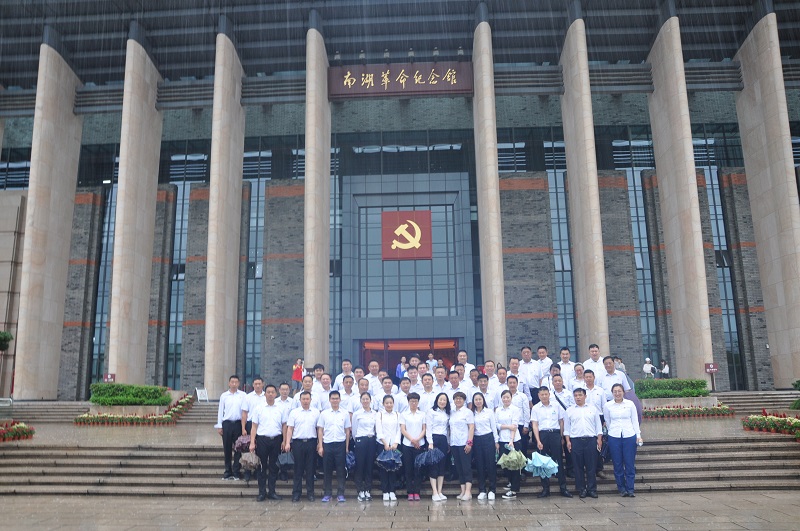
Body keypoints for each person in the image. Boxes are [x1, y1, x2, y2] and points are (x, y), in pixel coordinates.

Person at [530, 387, 572, 498]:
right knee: (543, 463)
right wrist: (538, 440)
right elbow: (535, 425)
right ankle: (545, 489)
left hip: (555, 434)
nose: (544, 396)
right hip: (542, 435)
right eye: (542, 394)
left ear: (549, 394)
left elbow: (561, 421)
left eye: (546, 394)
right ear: (538, 396)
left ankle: (563, 488)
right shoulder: (536, 408)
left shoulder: (556, 406)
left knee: (559, 461)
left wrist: (561, 437)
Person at [603, 383, 643, 497]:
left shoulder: (630, 404)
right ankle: (621, 488)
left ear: (623, 392)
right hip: (614, 436)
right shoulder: (608, 406)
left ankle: (630, 488)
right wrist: (612, 431)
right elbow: (608, 421)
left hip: (629, 435)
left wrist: (638, 435)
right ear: (612, 393)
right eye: (615, 391)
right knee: (617, 463)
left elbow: (634, 420)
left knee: (629, 463)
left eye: (619, 391)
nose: (617, 393)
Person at [248, 384, 286, 502]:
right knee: (261, 467)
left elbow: (284, 425)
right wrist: (252, 442)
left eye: (272, 392)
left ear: (276, 393)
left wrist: (284, 440)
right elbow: (254, 426)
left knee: (274, 467)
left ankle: (272, 492)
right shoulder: (259, 408)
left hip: (276, 440)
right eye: (268, 392)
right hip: (262, 440)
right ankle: (262, 492)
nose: (270, 394)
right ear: (265, 394)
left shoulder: (281, 408)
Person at [564, 388, 603, 498]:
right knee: (578, 467)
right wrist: (568, 441)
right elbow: (567, 428)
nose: (578, 397)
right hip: (576, 440)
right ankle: (581, 489)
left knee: (591, 466)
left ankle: (592, 489)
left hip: (591, 440)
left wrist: (599, 439)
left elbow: (598, 426)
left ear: (585, 396)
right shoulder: (569, 410)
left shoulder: (592, 409)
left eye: (580, 395)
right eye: (576, 395)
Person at [284, 390, 320, 502]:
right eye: (303, 399)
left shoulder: (316, 412)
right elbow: (290, 428)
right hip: (298, 443)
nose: (305, 401)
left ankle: (310, 493)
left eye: (307, 399)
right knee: (298, 469)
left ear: (310, 400)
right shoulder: (294, 413)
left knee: (310, 469)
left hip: (311, 442)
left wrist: (319, 443)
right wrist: (287, 442)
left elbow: (319, 429)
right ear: (300, 400)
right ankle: (296, 493)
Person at [316, 391, 351, 503]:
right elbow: (320, 430)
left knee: (341, 470)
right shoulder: (324, 414)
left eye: (337, 398)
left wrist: (346, 447)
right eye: (333, 398)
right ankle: (327, 493)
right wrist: (320, 445)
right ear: (329, 400)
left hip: (340, 443)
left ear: (340, 400)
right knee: (327, 470)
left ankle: (340, 493)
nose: (335, 400)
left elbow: (347, 431)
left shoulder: (345, 413)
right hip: (327, 443)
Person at [214, 375, 247, 480]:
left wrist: (244, 426)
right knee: (227, 448)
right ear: (229, 383)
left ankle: (236, 471)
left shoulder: (243, 395)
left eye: (236, 382)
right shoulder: (224, 396)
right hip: (227, 424)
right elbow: (220, 411)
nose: (234, 384)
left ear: (238, 383)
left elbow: (245, 411)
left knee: (238, 448)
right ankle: (228, 471)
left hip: (238, 424)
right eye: (232, 382)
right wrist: (219, 425)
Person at [470, 392, 498, 501]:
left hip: (488, 438)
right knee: (479, 465)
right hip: (477, 439)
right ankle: (482, 490)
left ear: (483, 400)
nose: (478, 401)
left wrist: (496, 441)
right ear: (473, 401)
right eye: (476, 399)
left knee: (490, 464)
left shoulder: (489, 412)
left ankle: (492, 489)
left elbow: (494, 427)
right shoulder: (471, 413)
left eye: (480, 399)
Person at [400, 392, 426, 501]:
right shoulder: (404, 414)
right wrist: (412, 440)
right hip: (407, 444)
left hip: (420, 444)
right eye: (411, 401)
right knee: (408, 468)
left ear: (418, 402)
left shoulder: (422, 414)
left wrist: (417, 440)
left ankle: (417, 491)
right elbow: (403, 429)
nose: (413, 403)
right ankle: (410, 491)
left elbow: (424, 429)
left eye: (415, 401)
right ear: (408, 402)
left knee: (418, 469)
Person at [351, 391, 377, 501]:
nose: (365, 401)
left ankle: (368, 490)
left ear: (370, 400)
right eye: (363, 399)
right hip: (361, 440)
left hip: (371, 440)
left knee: (369, 466)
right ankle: (360, 490)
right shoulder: (357, 414)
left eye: (367, 399)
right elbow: (354, 430)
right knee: (360, 466)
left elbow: (376, 428)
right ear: (360, 401)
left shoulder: (375, 413)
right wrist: (358, 441)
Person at [449, 391, 475, 500]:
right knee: (459, 467)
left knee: (466, 467)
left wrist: (469, 442)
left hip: (464, 443)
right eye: (456, 398)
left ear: (464, 400)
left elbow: (471, 427)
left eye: (460, 398)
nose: (458, 400)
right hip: (454, 443)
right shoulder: (451, 412)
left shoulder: (467, 412)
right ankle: (463, 491)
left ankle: (468, 492)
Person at [496, 390, 522, 499]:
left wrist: (511, 440)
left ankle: (514, 490)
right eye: (504, 397)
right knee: (505, 463)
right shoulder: (498, 410)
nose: (506, 399)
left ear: (511, 398)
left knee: (514, 465)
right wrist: (507, 426)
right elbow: (496, 424)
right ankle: (511, 482)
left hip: (514, 440)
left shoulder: (515, 409)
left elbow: (514, 426)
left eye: (508, 397)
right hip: (502, 439)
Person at [425, 392, 450, 501]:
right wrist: (430, 442)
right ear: (437, 400)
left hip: (443, 440)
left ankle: (440, 491)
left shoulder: (447, 413)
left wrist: (448, 443)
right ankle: (434, 492)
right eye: (440, 399)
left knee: (442, 466)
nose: (442, 402)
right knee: (433, 466)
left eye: (444, 400)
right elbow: (428, 428)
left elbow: (447, 430)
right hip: (434, 439)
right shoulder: (431, 412)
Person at [376, 395, 401, 501]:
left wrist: (396, 442)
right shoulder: (380, 414)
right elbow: (379, 429)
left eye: (391, 403)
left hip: (394, 444)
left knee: (393, 468)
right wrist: (385, 443)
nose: (389, 405)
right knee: (383, 468)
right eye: (387, 403)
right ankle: (385, 491)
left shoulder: (397, 414)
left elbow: (399, 429)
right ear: (383, 404)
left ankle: (392, 491)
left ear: (393, 404)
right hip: (382, 444)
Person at [240, 376, 265, 481]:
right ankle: (247, 471)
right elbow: (244, 413)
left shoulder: (266, 396)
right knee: (248, 448)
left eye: (259, 384)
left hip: (263, 425)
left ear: (263, 384)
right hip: (250, 424)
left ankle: (258, 471)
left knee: (260, 449)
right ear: (253, 385)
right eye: (256, 384)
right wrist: (243, 428)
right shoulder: (248, 397)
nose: (258, 386)